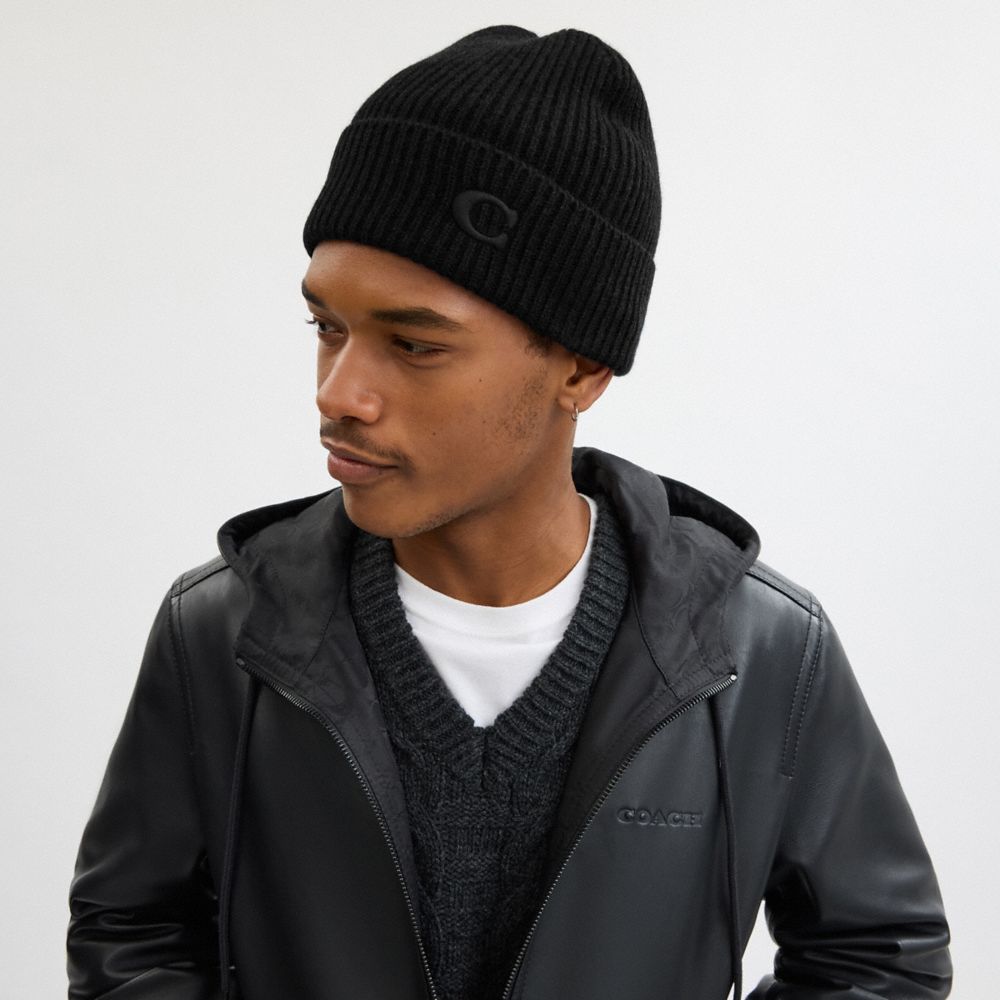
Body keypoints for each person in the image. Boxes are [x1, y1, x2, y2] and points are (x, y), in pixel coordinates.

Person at [67, 25, 951, 1000]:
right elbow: (132, 936)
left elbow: (878, 956)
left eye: (414, 345)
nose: (339, 392)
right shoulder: (221, 634)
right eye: (327, 326)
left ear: (581, 367)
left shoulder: (757, 652)